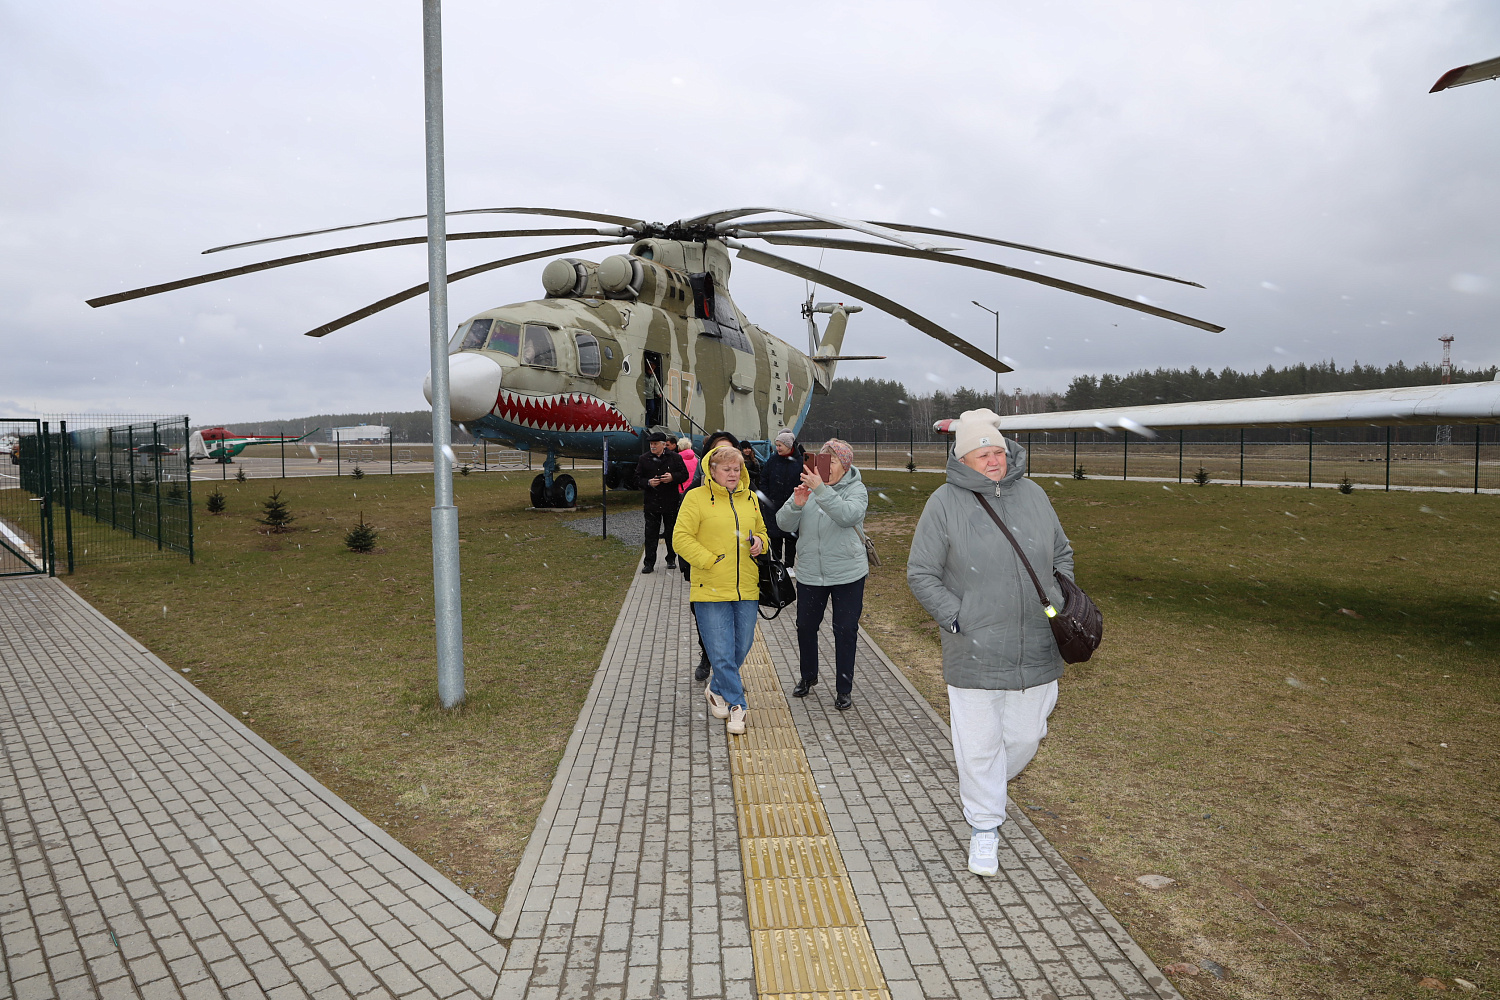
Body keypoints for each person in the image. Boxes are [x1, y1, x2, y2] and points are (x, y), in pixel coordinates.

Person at [906, 408, 1075, 879]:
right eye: (983, 454)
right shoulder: (944, 503)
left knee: (1025, 735)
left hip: (1039, 641)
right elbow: (921, 572)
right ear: (964, 459)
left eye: (998, 451)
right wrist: (958, 617)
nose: (994, 461)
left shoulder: (1034, 494)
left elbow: (1061, 550)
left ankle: (985, 791)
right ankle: (985, 827)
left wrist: (1059, 597)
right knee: (979, 744)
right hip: (976, 646)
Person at [672, 444, 768, 736]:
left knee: (742, 646)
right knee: (721, 652)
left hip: (745, 587)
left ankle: (716, 688)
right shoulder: (696, 498)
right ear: (711, 470)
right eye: (726, 469)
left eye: (736, 469)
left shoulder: (750, 499)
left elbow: (763, 532)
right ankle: (737, 706)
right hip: (710, 587)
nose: (733, 474)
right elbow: (680, 538)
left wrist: (760, 543)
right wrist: (708, 560)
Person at [776, 438, 867, 711]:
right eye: (821, 460)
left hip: (848, 572)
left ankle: (843, 688)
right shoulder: (810, 488)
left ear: (845, 465)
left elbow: (847, 516)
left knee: (844, 630)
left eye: (832, 461)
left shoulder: (856, 489)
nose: (824, 466)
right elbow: (783, 523)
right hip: (810, 573)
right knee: (805, 627)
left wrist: (822, 491)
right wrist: (797, 502)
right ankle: (808, 676)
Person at [635, 432, 689, 574]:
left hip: (670, 501)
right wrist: (648, 482)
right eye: (651, 444)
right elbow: (637, 479)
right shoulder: (644, 458)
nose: (653, 446)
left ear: (663, 444)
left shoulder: (675, 457)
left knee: (671, 532)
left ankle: (671, 558)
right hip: (651, 503)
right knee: (650, 534)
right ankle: (649, 563)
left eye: (655, 444)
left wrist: (672, 477)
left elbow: (685, 475)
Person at [759, 430, 804, 571]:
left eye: (780, 445)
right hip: (774, 504)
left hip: (793, 505)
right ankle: (777, 563)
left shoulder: (800, 462)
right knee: (775, 535)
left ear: (789, 445)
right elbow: (764, 479)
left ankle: (789, 565)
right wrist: (767, 498)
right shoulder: (772, 461)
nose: (777, 448)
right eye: (777, 445)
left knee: (791, 536)